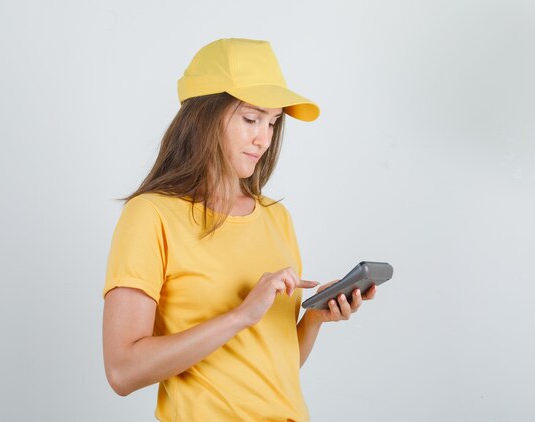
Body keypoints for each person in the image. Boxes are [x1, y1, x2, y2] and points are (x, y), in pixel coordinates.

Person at [102, 38, 377, 421]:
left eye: (272, 122)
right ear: (203, 116)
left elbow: (271, 373)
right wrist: (240, 315)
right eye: (251, 118)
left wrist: (312, 319)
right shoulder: (150, 215)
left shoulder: (275, 218)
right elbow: (122, 371)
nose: (263, 139)